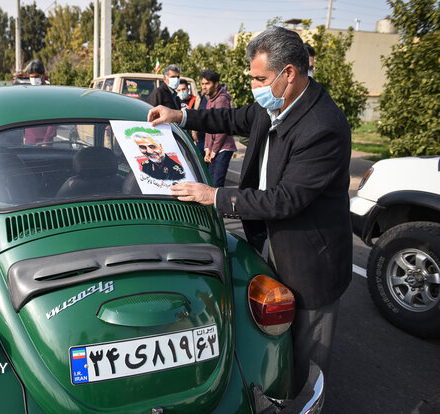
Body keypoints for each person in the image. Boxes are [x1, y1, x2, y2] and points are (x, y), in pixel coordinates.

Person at [148, 27, 352, 393]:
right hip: (269, 240)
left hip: (310, 259)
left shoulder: (323, 126)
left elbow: (285, 199)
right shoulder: (272, 105)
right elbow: (230, 119)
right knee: (273, 337)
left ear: (289, 73)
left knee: (307, 356)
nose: (255, 86)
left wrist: (214, 196)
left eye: (260, 78)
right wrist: (179, 116)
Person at [200, 69, 236, 187]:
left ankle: (219, 206)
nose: (204, 87)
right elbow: (208, 127)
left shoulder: (221, 100)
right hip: (213, 149)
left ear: (216, 84)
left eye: (207, 83)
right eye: (202, 84)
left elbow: (221, 127)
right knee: (210, 182)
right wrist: (207, 149)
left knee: (216, 184)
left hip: (223, 148)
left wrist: (214, 151)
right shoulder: (210, 100)